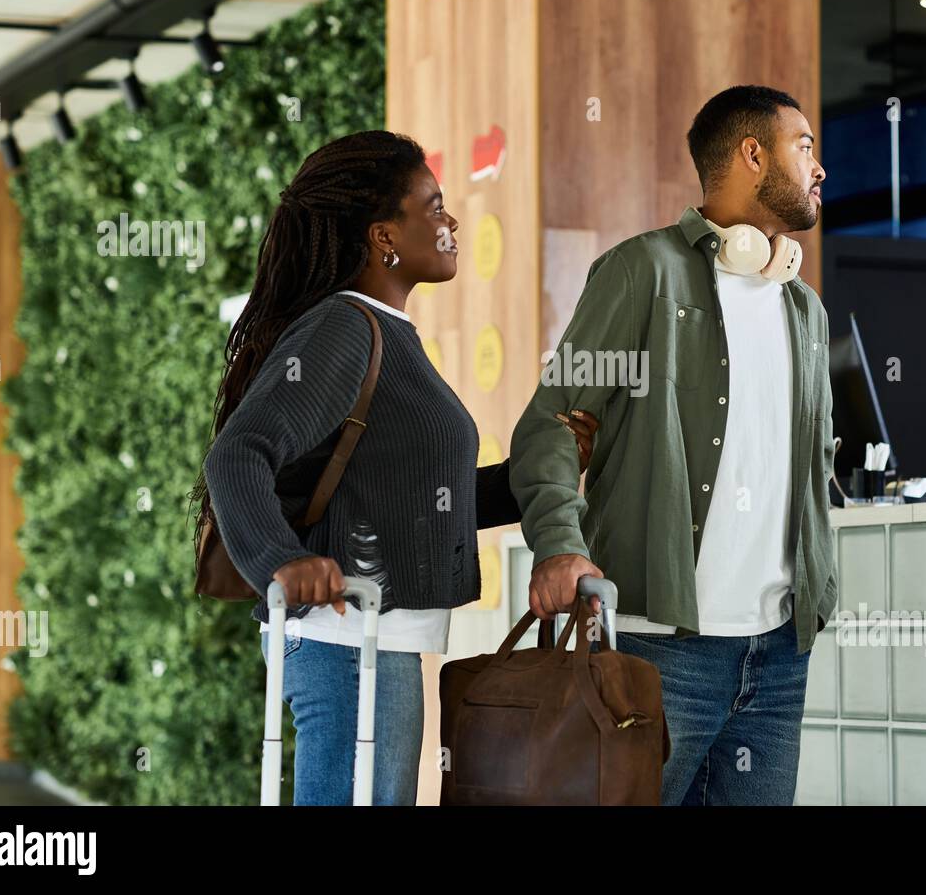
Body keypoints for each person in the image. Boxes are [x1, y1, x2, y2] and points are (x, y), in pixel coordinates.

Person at [191, 130, 596, 805]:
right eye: (433, 207)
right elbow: (238, 452)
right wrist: (278, 560)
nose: (451, 220)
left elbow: (421, 500)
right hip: (347, 644)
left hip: (374, 646)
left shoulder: (384, 331)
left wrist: (536, 475)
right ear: (384, 236)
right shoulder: (344, 329)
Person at [509, 85, 837, 805]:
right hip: (661, 648)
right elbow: (553, 421)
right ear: (753, 154)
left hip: (779, 656)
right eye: (804, 147)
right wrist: (561, 541)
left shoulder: (803, 308)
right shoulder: (643, 274)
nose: (819, 168)